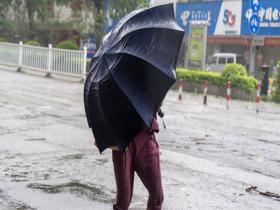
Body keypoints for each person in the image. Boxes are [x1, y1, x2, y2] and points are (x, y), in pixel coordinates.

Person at [111, 110, 164, 210]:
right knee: (123, 201)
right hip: (122, 139)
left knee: (157, 195)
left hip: (146, 136)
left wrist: (158, 103)